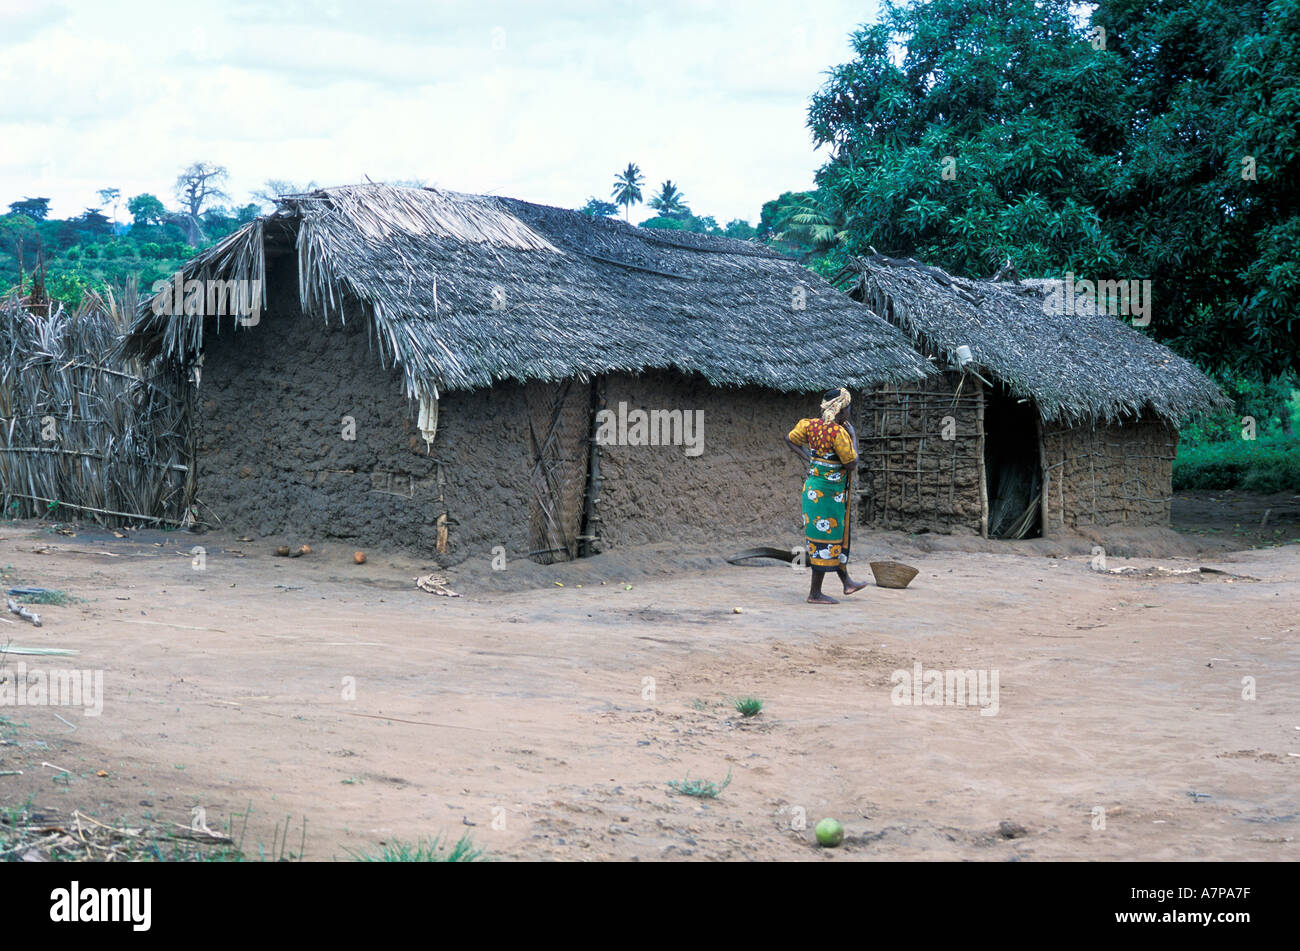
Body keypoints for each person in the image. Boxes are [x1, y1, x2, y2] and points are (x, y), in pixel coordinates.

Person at [784, 387, 868, 604]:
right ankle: (814, 593)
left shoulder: (810, 425)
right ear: (842, 409)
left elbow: (790, 439)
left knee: (833, 537)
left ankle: (847, 582)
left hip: (815, 492)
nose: (850, 411)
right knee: (824, 539)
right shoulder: (839, 433)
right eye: (849, 407)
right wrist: (854, 437)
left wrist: (809, 459)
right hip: (828, 495)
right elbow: (851, 463)